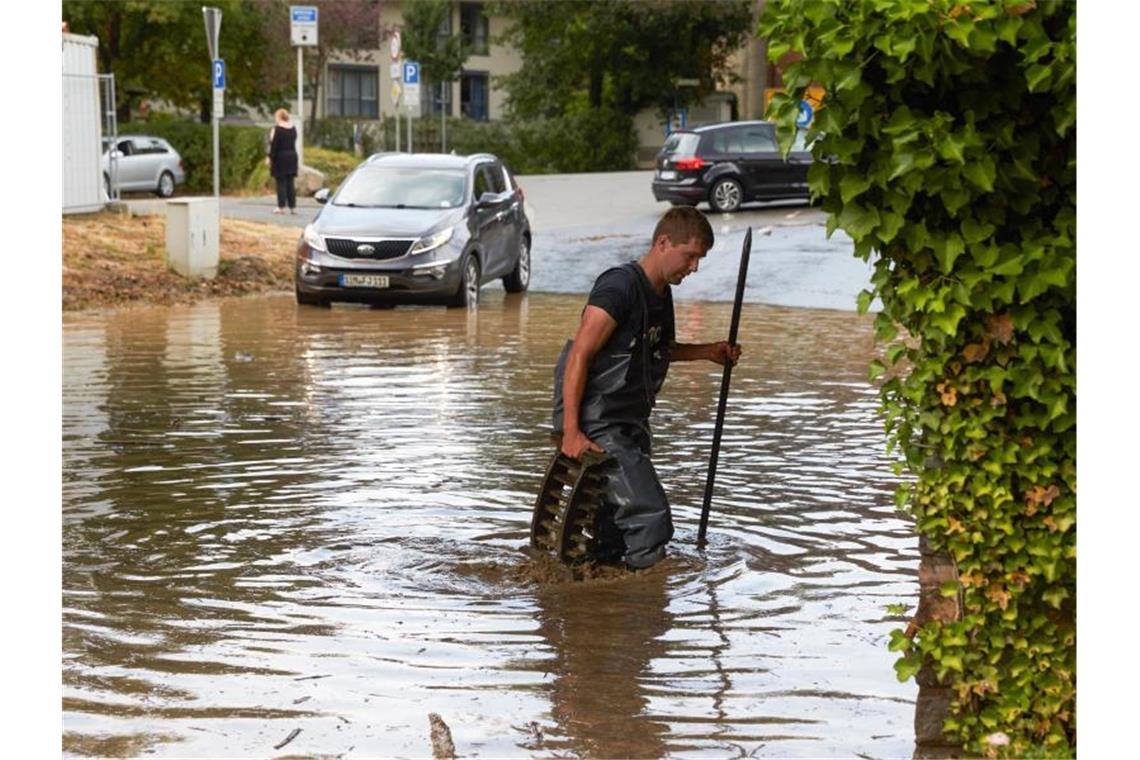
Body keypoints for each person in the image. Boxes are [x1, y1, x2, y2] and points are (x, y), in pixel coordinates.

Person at [552, 206, 741, 569]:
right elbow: (580, 355)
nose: (694, 268)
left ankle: (598, 606)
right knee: (650, 517)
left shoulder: (659, 293)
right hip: (597, 421)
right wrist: (572, 432)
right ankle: (645, 611)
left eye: (699, 259)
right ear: (663, 243)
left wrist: (709, 352)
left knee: (611, 533)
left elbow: (658, 349)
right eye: (690, 256)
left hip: (628, 422)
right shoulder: (619, 286)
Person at [267, 108, 299, 215]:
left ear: (279, 117)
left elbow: (274, 146)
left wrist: (270, 158)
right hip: (292, 156)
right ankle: (293, 207)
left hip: (280, 157)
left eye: (276, 117)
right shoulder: (293, 128)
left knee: (281, 182)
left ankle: (281, 207)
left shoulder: (277, 129)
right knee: (290, 183)